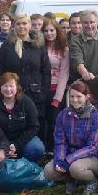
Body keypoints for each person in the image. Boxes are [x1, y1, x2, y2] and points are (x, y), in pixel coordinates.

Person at [43, 81, 98, 195]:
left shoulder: (96, 116)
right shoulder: (63, 115)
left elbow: (93, 146)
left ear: (87, 97)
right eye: (72, 96)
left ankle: (91, 181)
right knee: (49, 171)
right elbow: (60, 141)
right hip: (68, 155)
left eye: (79, 96)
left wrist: (69, 160)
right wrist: (60, 160)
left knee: (75, 168)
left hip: (92, 157)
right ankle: (70, 180)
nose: (74, 100)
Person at [0, 14, 51, 120]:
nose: (21, 26)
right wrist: (2, 92)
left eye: (24, 23)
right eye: (18, 24)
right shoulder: (7, 46)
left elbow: (46, 71)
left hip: (36, 95)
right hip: (12, 95)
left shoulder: (38, 45)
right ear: (14, 26)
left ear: (30, 25)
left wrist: (44, 92)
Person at [0, 72, 45, 162]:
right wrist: (3, 147)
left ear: (17, 87)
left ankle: (25, 169)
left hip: (21, 141)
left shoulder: (26, 102)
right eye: (5, 86)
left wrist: (16, 144)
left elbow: (34, 126)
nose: (8, 89)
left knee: (37, 147)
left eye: (11, 86)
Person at [42, 18, 70, 151]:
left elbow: (64, 73)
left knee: (54, 123)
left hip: (55, 90)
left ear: (57, 31)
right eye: (46, 30)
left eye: (51, 30)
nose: (49, 33)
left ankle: (53, 151)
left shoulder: (64, 50)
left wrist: (58, 97)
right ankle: (41, 150)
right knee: (41, 122)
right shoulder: (39, 47)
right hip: (41, 90)